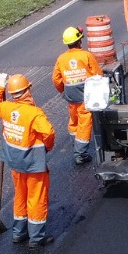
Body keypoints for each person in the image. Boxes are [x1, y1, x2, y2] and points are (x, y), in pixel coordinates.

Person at [0, 73, 57, 246]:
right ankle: (36, 238)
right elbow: (48, 133)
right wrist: (47, 147)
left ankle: (18, 233)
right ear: (27, 91)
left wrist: (0, 86)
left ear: (12, 93)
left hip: (14, 162)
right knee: (36, 198)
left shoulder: (6, 108)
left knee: (20, 196)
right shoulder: (34, 113)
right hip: (33, 165)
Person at [53, 26, 102, 166]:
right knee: (85, 122)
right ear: (79, 41)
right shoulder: (86, 55)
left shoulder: (61, 59)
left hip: (71, 96)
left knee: (74, 120)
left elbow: (56, 79)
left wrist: (63, 92)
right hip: (85, 96)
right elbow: (97, 75)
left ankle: (75, 144)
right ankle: (80, 154)